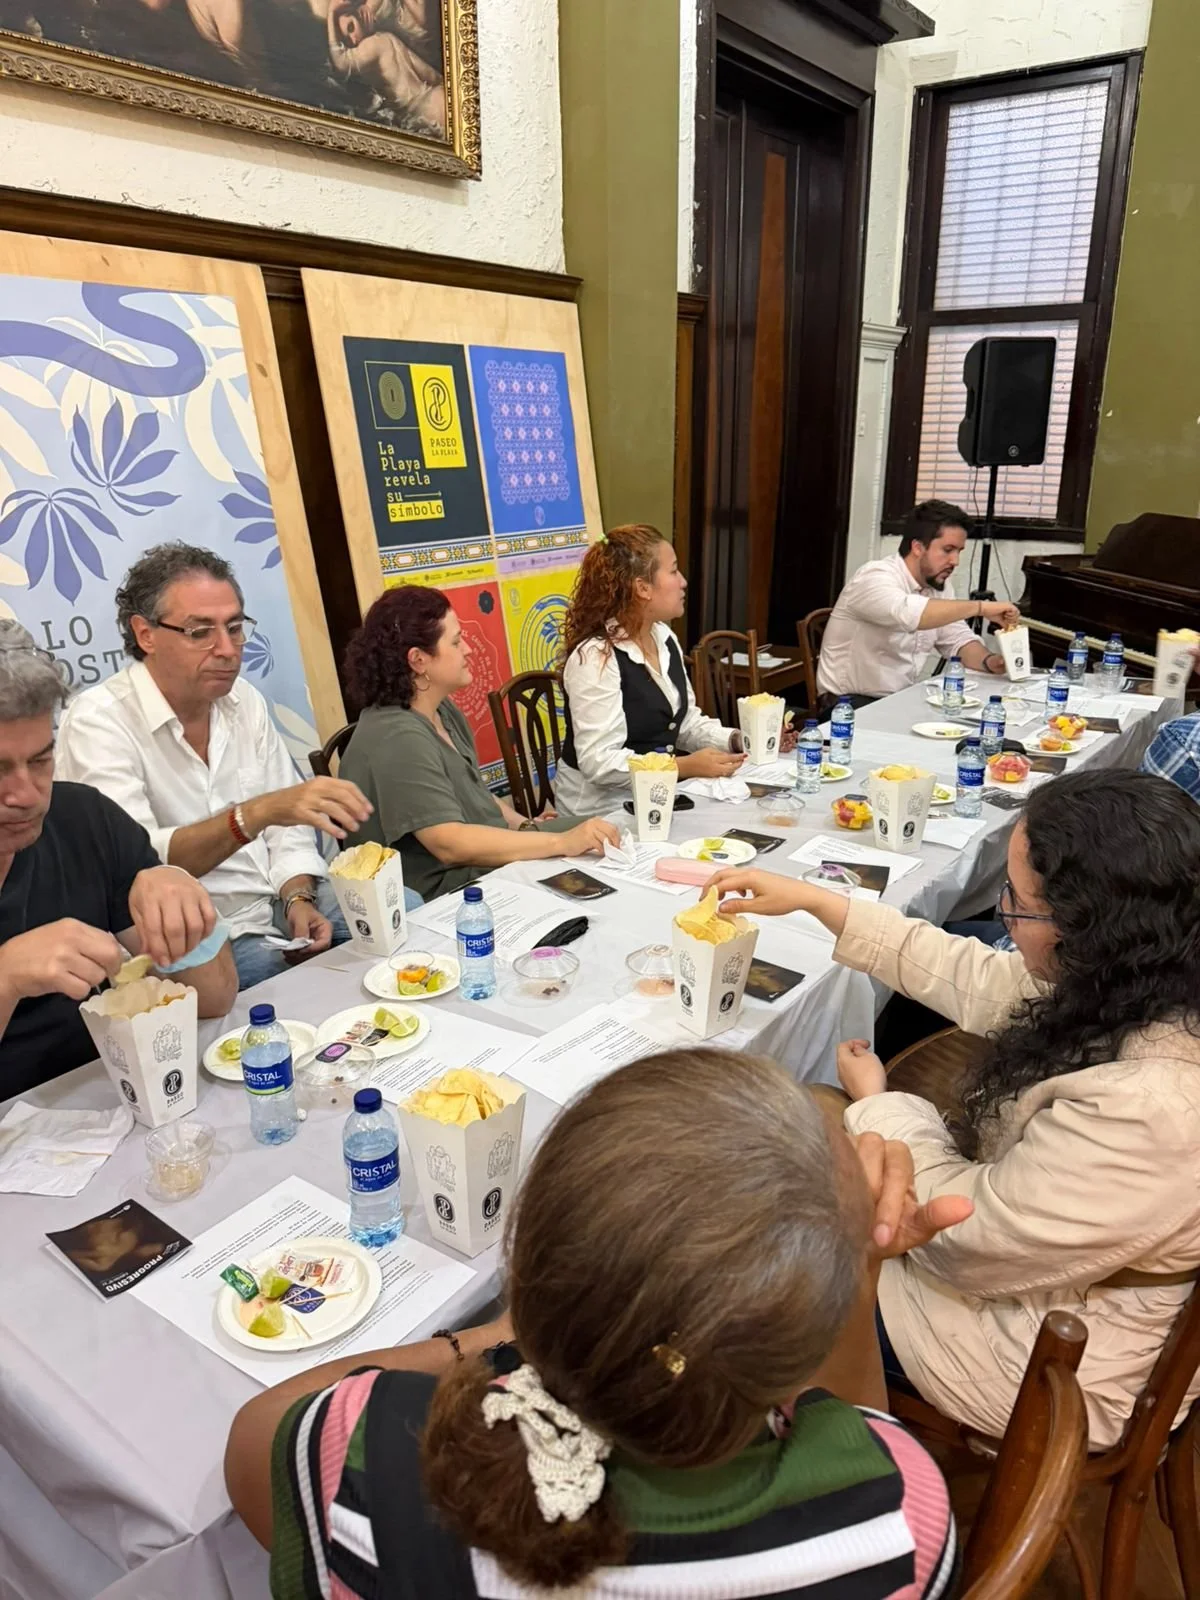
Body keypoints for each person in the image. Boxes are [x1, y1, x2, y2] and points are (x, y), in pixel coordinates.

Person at [226, 1047, 967, 1598]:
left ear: (526, 1268)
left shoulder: (360, 1449)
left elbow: (259, 1430)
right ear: (794, 1348)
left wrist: (498, 1335)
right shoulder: (899, 1513)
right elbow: (864, 1428)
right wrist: (858, 1267)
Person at [709, 768, 1200, 1449]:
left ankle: (770, 1447)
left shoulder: (1153, 1108)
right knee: (810, 1141)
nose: (1002, 915)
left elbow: (961, 1243)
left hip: (1032, 1355)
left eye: (1019, 905)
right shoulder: (1141, 979)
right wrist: (819, 904)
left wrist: (881, 1105)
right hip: (1039, 1283)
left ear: (1091, 929)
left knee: (758, 1269)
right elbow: (972, 973)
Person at [56, 543, 377, 991]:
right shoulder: (99, 721)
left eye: (234, 627)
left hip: (273, 903)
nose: (227, 649)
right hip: (191, 937)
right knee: (274, 980)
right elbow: (139, 867)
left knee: (392, 908)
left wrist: (297, 897)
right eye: (200, 632)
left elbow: (290, 827)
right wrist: (254, 814)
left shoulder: (243, 701)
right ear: (145, 634)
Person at [0, 624, 236, 1098]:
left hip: (111, 1103)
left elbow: (214, 999)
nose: (25, 795)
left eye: (41, 761)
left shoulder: (85, 819)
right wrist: (6, 977)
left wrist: (185, 916)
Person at [339, 586, 620, 902]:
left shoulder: (442, 710)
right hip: (443, 891)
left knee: (606, 830)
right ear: (418, 660)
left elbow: (473, 789)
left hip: (477, 864)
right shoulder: (397, 737)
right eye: (457, 642)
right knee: (591, 860)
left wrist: (523, 824)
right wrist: (560, 843)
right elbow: (449, 844)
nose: (469, 650)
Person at [555, 526, 764, 815]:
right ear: (643, 588)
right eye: (674, 571)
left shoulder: (663, 637)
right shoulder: (595, 656)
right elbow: (598, 762)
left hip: (655, 798)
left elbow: (685, 723)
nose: (683, 582)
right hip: (600, 812)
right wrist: (681, 766)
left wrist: (738, 739)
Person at [817, 501, 1021, 704]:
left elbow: (957, 639)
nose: (955, 561)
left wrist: (989, 662)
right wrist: (980, 608)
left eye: (959, 551)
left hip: (897, 701)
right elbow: (909, 613)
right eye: (948, 550)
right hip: (847, 706)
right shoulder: (874, 577)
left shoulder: (937, 585)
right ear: (917, 547)